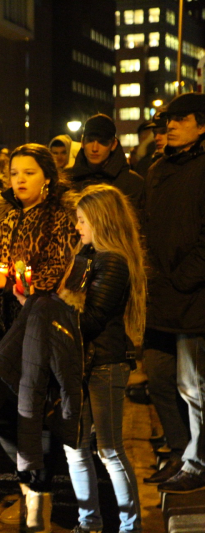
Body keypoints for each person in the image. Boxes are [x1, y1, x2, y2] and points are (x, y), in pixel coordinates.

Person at [0, 144, 78, 531]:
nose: (18, 179)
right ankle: (29, 488)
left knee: (37, 417)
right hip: (2, 329)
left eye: (28, 172)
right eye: (14, 172)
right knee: (0, 413)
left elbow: (56, 276)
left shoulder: (59, 218)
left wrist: (10, 283)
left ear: (48, 177)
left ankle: (40, 499)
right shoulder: (3, 217)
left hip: (38, 329)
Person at [53, 185, 146, 533]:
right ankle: (88, 522)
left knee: (109, 449)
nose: (77, 227)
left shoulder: (113, 261)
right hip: (83, 362)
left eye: (82, 220)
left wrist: (54, 308)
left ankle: (129, 526)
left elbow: (91, 319)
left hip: (105, 363)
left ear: (101, 220)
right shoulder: (88, 256)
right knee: (75, 447)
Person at [142, 92, 205, 494]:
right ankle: (182, 452)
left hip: (192, 295)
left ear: (202, 124)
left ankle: (197, 464)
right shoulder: (159, 169)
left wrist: (185, 276)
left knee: (194, 386)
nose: (170, 125)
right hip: (161, 295)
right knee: (161, 379)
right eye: (168, 119)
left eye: (181, 118)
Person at [68, 114, 143, 210]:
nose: (95, 148)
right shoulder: (67, 180)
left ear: (113, 144)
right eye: (90, 141)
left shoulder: (133, 183)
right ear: (82, 142)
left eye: (102, 142)